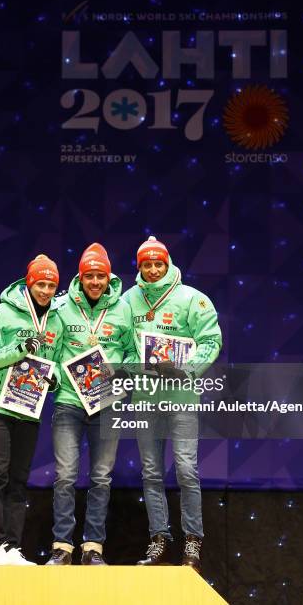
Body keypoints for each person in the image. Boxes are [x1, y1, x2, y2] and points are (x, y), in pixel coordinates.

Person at [122, 236, 222, 572]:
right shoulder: (128, 301)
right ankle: (159, 538)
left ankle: (193, 538)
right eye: (146, 264)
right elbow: (116, 343)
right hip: (145, 397)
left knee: (185, 469)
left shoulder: (192, 299)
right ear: (139, 267)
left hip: (181, 397)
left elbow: (211, 341)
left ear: (167, 263)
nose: (152, 269)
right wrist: (135, 367)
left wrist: (186, 370)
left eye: (157, 263)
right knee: (151, 472)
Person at [46, 243, 137, 566]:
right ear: (80, 277)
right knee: (66, 475)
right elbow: (51, 353)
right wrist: (56, 375)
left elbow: (133, 351)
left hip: (107, 403)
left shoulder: (124, 309)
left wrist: (121, 374)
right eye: (89, 276)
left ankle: (93, 547)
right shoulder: (61, 307)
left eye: (100, 276)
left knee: (101, 477)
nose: (95, 282)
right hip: (69, 402)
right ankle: (62, 547)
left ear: (108, 276)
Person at [0, 254, 63, 565]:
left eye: (52, 285)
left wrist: (54, 378)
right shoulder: (2, 313)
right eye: (41, 283)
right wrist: (18, 350)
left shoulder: (56, 321)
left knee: (19, 478)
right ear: (29, 282)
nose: (46, 290)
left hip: (28, 408)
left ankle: (12, 547)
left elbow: (59, 363)